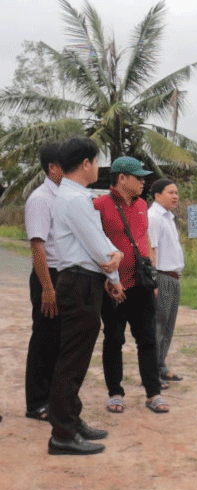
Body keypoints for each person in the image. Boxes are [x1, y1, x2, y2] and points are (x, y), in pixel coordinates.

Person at [48, 136, 124, 455]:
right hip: (79, 282)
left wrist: (110, 267)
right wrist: (115, 267)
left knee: (75, 357)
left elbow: (97, 246)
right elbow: (99, 246)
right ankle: (62, 434)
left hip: (83, 280)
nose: (97, 167)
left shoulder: (72, 195)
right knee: (72, 359)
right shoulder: (75, 200)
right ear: (85, 164)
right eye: (95, 161)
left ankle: (71, 420)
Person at [93, 157, 169, 414]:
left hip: (140, 285)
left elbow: (143, 238)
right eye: (138, 177)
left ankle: (153, 393)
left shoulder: (141, 205)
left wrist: (152, 276)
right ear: (122, 178)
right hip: (113, 288)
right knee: (114, 339)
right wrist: (108, 280)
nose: (143, 181)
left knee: (147, 339)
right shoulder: (99, 206)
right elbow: (93, 245)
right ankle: (115, 392)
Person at [24, 141, 64, 422]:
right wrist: (48, 288)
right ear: (52, 168)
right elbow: (37, 246)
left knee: (58, 340)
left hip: (62, 275)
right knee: (44, 339)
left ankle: (52, 396)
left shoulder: (63, 196)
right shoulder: (40, 199)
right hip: (47, 275)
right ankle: (36, 402)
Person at [147, 178, 184, 383]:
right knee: (158, 326)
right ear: (157, 195)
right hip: (161, 277)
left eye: (176, 192)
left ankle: (161, 365)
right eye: (171, 192)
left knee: (168, 325)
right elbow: (150, 250)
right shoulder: (154, 217)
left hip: (174, 278)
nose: (175, 196)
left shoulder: (169, 217)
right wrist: (153, 281)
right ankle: (153, 372)